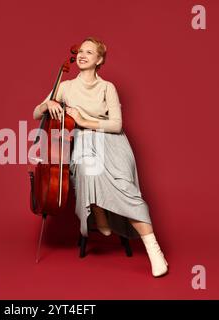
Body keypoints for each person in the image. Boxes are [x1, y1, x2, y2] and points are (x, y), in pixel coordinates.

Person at [32, 37, 168, 277]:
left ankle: (153, 249)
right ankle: (98, 213)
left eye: (89, 52)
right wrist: (49, 103)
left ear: (99, 60)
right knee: (85, 170)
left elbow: (116, 124)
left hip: (112, 143)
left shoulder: (108, 87)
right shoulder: (64, 87)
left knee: (126, 187)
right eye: (81, 51)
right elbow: (36, 112)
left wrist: (83, 120)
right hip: (83, 144)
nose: (83, 55)